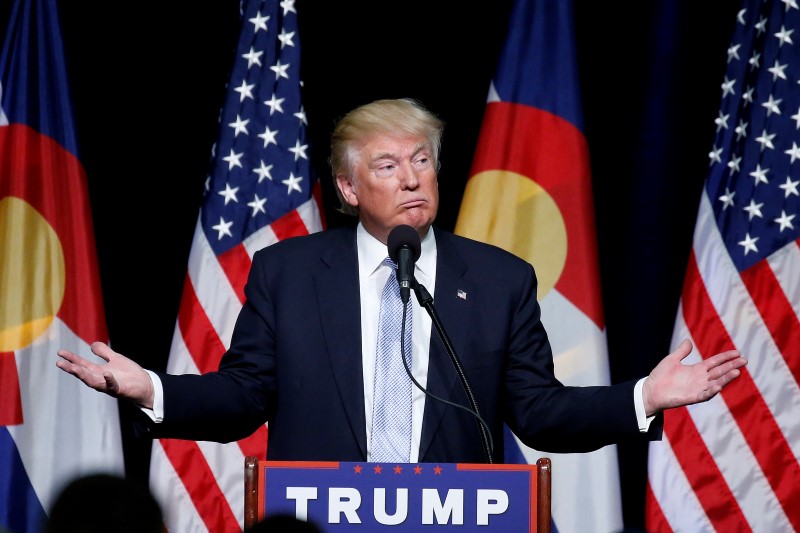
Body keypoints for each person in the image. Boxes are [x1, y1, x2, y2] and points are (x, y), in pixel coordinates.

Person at [56, 98, 746, 464]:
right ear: (348, 188)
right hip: (321, 518)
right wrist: (149, 386)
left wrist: (643, 396)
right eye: (387, 166)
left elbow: (539, 412)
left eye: (422, 160)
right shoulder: (289, 274)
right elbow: (243, 398)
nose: (413, 178)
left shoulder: (500, 279)